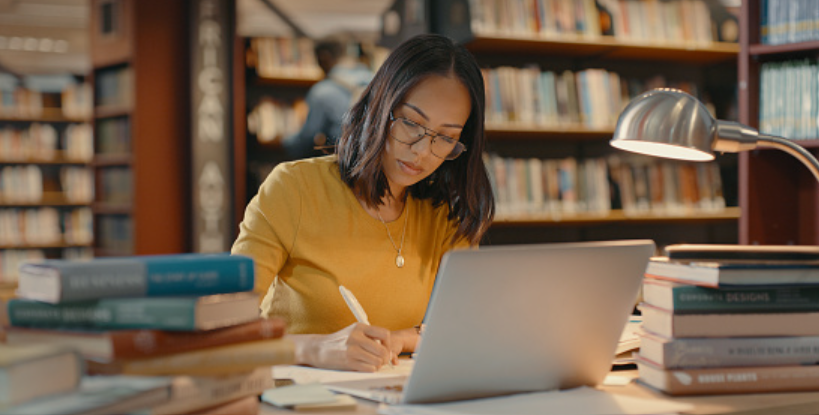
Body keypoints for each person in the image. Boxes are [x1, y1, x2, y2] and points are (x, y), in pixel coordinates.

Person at [232, 34, 495, 372]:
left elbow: (462, 326)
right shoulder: (294, 188)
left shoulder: (446, 214)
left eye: (445, 138)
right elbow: (226, 327)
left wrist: (400, 339)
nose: (422, 151)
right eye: (412, 123)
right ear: (379, 105)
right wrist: (315, 348)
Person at [282, 38, 374, 159]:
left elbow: (307, 138)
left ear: (323, 57)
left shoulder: (322, 91)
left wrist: (286, 143)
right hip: (374, 160)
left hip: (344, 162)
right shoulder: (375, 79)